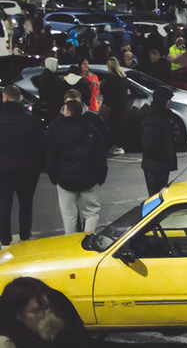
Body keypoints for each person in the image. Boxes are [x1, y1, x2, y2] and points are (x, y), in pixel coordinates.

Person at [47, 99, 108, 235]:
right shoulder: (92, 130)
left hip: (65, 180)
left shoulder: (58, 132)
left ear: (67, 112)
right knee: (92, 212)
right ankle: (87, 240)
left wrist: (54, 178)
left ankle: (72, 245)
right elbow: (100, 156)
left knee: (69, 215)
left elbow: (52, 159)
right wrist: (100, 177)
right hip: (89, 179)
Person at [0, 86, 45, 249]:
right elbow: (40, 145)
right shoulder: (29, 118)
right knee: (26, 204)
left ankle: (5, 240)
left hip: (3, 170)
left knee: (4, 205)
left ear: (4, 97)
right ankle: (25, 236)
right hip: (27, 170)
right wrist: (38, 167)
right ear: (18, 98)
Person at [0, 276, 92, 347]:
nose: (45, 313)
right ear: (18, 314)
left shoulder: (64, 334)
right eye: (38, 310)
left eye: (47, 307)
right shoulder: (8, 340)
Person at [139, 86, 178, 195]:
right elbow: (149, 145)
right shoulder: (152, 119)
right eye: (169, 99)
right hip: (155, 167)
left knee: (160, 195)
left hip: (160, 165)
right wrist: (166, 156)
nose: (171, 102)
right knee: (156, 197)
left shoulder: (162, 116)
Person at [100, 58, 130, 155]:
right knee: (119, 125)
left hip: (114, 105)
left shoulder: (110, 79)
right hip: (122, 104)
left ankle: (118, 146)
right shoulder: (123, 78)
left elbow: (104, 91)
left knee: (114, 126)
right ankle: (119, 145)